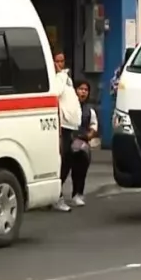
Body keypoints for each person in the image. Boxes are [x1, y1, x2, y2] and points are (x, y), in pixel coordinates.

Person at [52, 52, 83, 212]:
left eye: (62, 61)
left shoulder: (67, 79)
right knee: (62, 161)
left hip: (71, 127)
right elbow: (56, 92)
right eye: (57, 61)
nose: (60, 64)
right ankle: (57, 196)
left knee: (70, 159)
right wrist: (61, 75)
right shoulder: (58, 78)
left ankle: (66, 194)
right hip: (61, 127)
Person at [67, 79, 98, 207]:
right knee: (63, 170)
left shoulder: (89, 111)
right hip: (68, 142)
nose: (83, 92)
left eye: (86, 90)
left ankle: (78, 194)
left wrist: (88, 136)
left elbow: (94, 127)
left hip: (82, 144)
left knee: (80, 170)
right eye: (81, 89)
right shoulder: (68, 107)